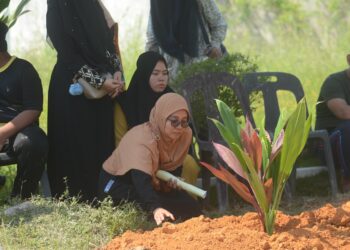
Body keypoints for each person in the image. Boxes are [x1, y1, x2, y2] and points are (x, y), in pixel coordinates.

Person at [46, 0, 124, 202]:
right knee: (75, 146)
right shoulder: (57, 7)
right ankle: (74, 202)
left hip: (104, 86)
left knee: (101, 142)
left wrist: (116, 73)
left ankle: (104, 197)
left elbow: (110, 42)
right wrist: (99, 81)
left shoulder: (94, 4)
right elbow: (67, 54)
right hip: (72, 88)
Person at [99, 93, 202, 225]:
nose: (180, 128)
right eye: (174, 121)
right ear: (161, 118)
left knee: (191, 207)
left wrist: (170, 182)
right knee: (166, 210)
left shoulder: (184, 134)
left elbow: (173, 169)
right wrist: (156, 208)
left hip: (152, 182)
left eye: (184, 122)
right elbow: (140, 180)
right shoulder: (141, 140)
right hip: (118, 184)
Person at [115, 51, 200, 186]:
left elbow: (182, 137)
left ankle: (182, 203)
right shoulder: (126, 104)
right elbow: (121, 144)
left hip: (169, 161)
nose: (162, 78)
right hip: (138, 161)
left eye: (165, 73)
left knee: (189, 163)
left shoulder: (172, 98)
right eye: (155, 74)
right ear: (144, 74)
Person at [0, 21, 47, 199]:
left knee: (33, 142)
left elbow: (33, 109)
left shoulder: (23, 70)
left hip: (17, 132)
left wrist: (3, 133)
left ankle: (21, 196)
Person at [146, 0, 227, 80]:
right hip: (173, 77)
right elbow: (152, 42)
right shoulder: (158, 4)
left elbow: (219, 24)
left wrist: (215, 45)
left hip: (204, 69)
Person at [316, 54, 350, 192]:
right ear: (349, 59)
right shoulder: (334, 82)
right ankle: (347, 180)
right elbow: (344, 113)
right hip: (326, 143)